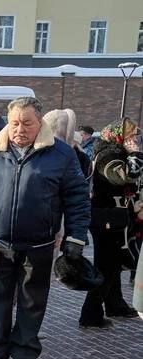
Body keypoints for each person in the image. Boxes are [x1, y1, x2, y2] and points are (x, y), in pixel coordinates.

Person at [0, 97, 90, 359]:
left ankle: (24, 353)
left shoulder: (61, 154)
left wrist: (75, 239)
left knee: (32, 301)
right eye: (14, 123)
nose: (19, 129)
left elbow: (77, 198)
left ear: (40, 122)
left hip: (39, 244)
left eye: (27, 123)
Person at [79, 118, 143, 328]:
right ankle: (90, 315)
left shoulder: (115, 152)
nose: (135, 139)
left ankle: (115, 304)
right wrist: (135, 154)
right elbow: (125, 176)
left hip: (117, 217)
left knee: (114, 265)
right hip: (107, 218)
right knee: (106, 266)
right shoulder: (108, 154)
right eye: (131, 135)